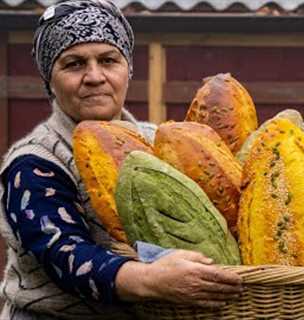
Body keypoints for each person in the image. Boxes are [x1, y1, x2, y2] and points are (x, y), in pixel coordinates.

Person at [0, 1, 242, 319]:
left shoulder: (156, 141)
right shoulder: (34, 161)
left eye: (108, 60)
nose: (94, 76)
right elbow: (63, 254)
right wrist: (150, 279)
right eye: (74, 64)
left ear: (127, 70)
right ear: (50, 80)